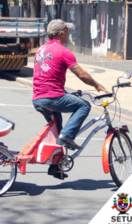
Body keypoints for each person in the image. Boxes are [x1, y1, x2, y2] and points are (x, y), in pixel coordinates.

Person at [31, 19, 109, 179]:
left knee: (56, 131)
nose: (69, 33)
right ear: (61, 33)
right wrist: (96, 84)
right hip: (52, 98)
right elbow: (81, 74)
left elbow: (48, 77)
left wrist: (65, 93)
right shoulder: (63, 51)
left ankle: (55, 166)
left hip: (38, 98)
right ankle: (68, 136)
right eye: (67, 31)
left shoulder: (41, 50)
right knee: (84, 106)